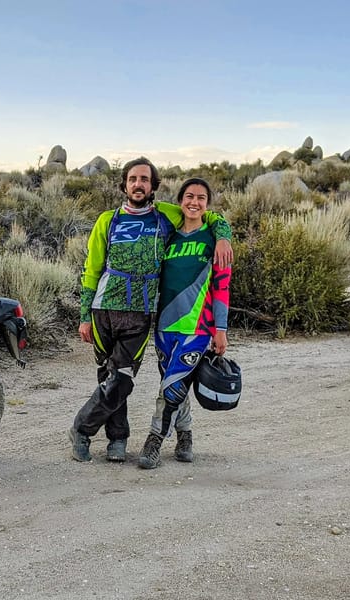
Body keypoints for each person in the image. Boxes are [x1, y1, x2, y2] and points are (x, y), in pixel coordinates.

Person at [69, 158, 233, 463]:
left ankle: (81, 429)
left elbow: (205, 215)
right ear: (124, 184)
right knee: (108, 377)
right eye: (132, 179)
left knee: (122, 378)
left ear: (153, 185)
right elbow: (90, 270)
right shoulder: (107, 220)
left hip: (141, 313)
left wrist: (223, 236)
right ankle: (117, 439)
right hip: (103, 308)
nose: (138, 184)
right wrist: (83, 316)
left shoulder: (166, 215)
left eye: (144, 179)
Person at [138, 177, 231, 469]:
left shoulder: (215, 242)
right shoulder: (169, 237)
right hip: (165, 325)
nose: (194, 202)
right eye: (189, 196)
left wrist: (221, 329)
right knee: (174, 382)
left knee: (171, 387)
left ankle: (154, 440)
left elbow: (222, 287)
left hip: (198, 328)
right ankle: (185, 434)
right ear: (180, 201)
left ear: (207, 205)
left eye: (201, 198)